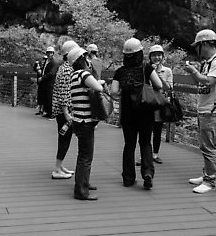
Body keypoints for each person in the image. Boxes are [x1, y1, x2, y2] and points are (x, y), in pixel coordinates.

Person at [111, 38, 163, 190]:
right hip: (146, 111)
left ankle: (128, 178)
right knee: (146, 142)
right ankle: (147, 173)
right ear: (140, 53)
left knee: (129, 144)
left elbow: (114, 91)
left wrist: (124, 93)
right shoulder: (146, 68)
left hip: (128, 113)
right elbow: (159, 85)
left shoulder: (120, 71)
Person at [184, 29, 216, 194]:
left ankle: (210, 180)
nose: (197, 49)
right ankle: (206, 175)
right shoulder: (206, 62)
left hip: (213, 110)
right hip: (204, 108)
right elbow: (199, 83)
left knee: (209, 146)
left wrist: (193, 71)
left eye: (198, 45)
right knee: (205, 145)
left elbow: (209, 82)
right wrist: (194, 72)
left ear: (204, 43)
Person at [67, 44, 105, 200]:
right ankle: (81, 191)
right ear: (82, 59)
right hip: (85, 121)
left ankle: (83, 183)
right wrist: (101, 83)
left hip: (78, 120)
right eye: (86, 57)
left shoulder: (74, 75)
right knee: (86, 156)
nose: (89, 59)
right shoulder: (83, 74)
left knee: (83, 154)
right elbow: (98, 87)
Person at [49, 41, 77, 179]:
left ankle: (60, 166)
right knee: (65, 138)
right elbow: (65, 92)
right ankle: (57, 169)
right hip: (65, 111)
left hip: (62, 110)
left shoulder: (64, 67)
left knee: (64, 138)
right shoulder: (67, 69)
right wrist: (67, 113)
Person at [148, 45, 174, 164]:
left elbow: (169, 88)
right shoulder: (146, 68)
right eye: (154, 55)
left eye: (159, 55)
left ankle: (155, 154)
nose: (157, 57)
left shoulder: (167, 71)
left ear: (163, 57)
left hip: (160, 103)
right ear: (150, 57)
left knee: (157, 129)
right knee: (146, 129)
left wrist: (158, 77)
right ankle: (145, 154)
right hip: (147, 102)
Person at [39, 46, 59, 118]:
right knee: (46, 98)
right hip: (45, 82)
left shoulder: (54, 62)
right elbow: (44, 69)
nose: (49, 54)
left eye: (51, 53)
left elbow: (52, 73)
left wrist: (43, 77)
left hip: (50, 83)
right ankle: (47, 112)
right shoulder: (47, 61)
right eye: (48, 53)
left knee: (50, 98)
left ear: (53, 53)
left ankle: (51, 114)